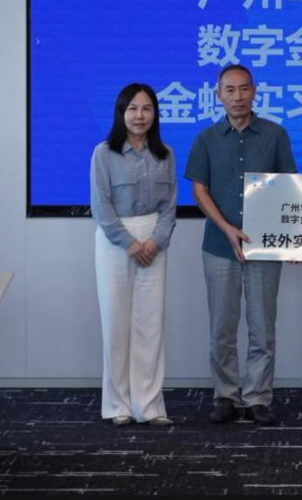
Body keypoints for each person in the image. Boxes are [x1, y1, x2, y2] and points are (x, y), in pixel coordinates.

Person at [185, 64, 296, 426]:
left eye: (244, 89)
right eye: (230, 90)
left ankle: (258, 398)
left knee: (263, 327)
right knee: (222, 328)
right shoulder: (206, 138)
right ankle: (226, 396)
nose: (237, 97)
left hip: (265, 246)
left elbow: (288, 189)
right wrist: (228, 229)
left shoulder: (275, 135)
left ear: (254, 91)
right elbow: (199, 190)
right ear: (218, 95)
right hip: (219, 246)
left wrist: (292, 239)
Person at [90, 83, 177, 427]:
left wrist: (154, 241)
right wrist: (129, 243)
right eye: (133, 109)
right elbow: (101, 205)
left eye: (147, 109)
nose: (140, 116)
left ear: (155, 114)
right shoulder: (104, 153)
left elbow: (170, 207)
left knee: (150, 325)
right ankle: (118, 406)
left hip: (155, 241)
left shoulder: (165, 154)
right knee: (115, 323)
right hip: (115, 241)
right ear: (121, 113)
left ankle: (150, 405)